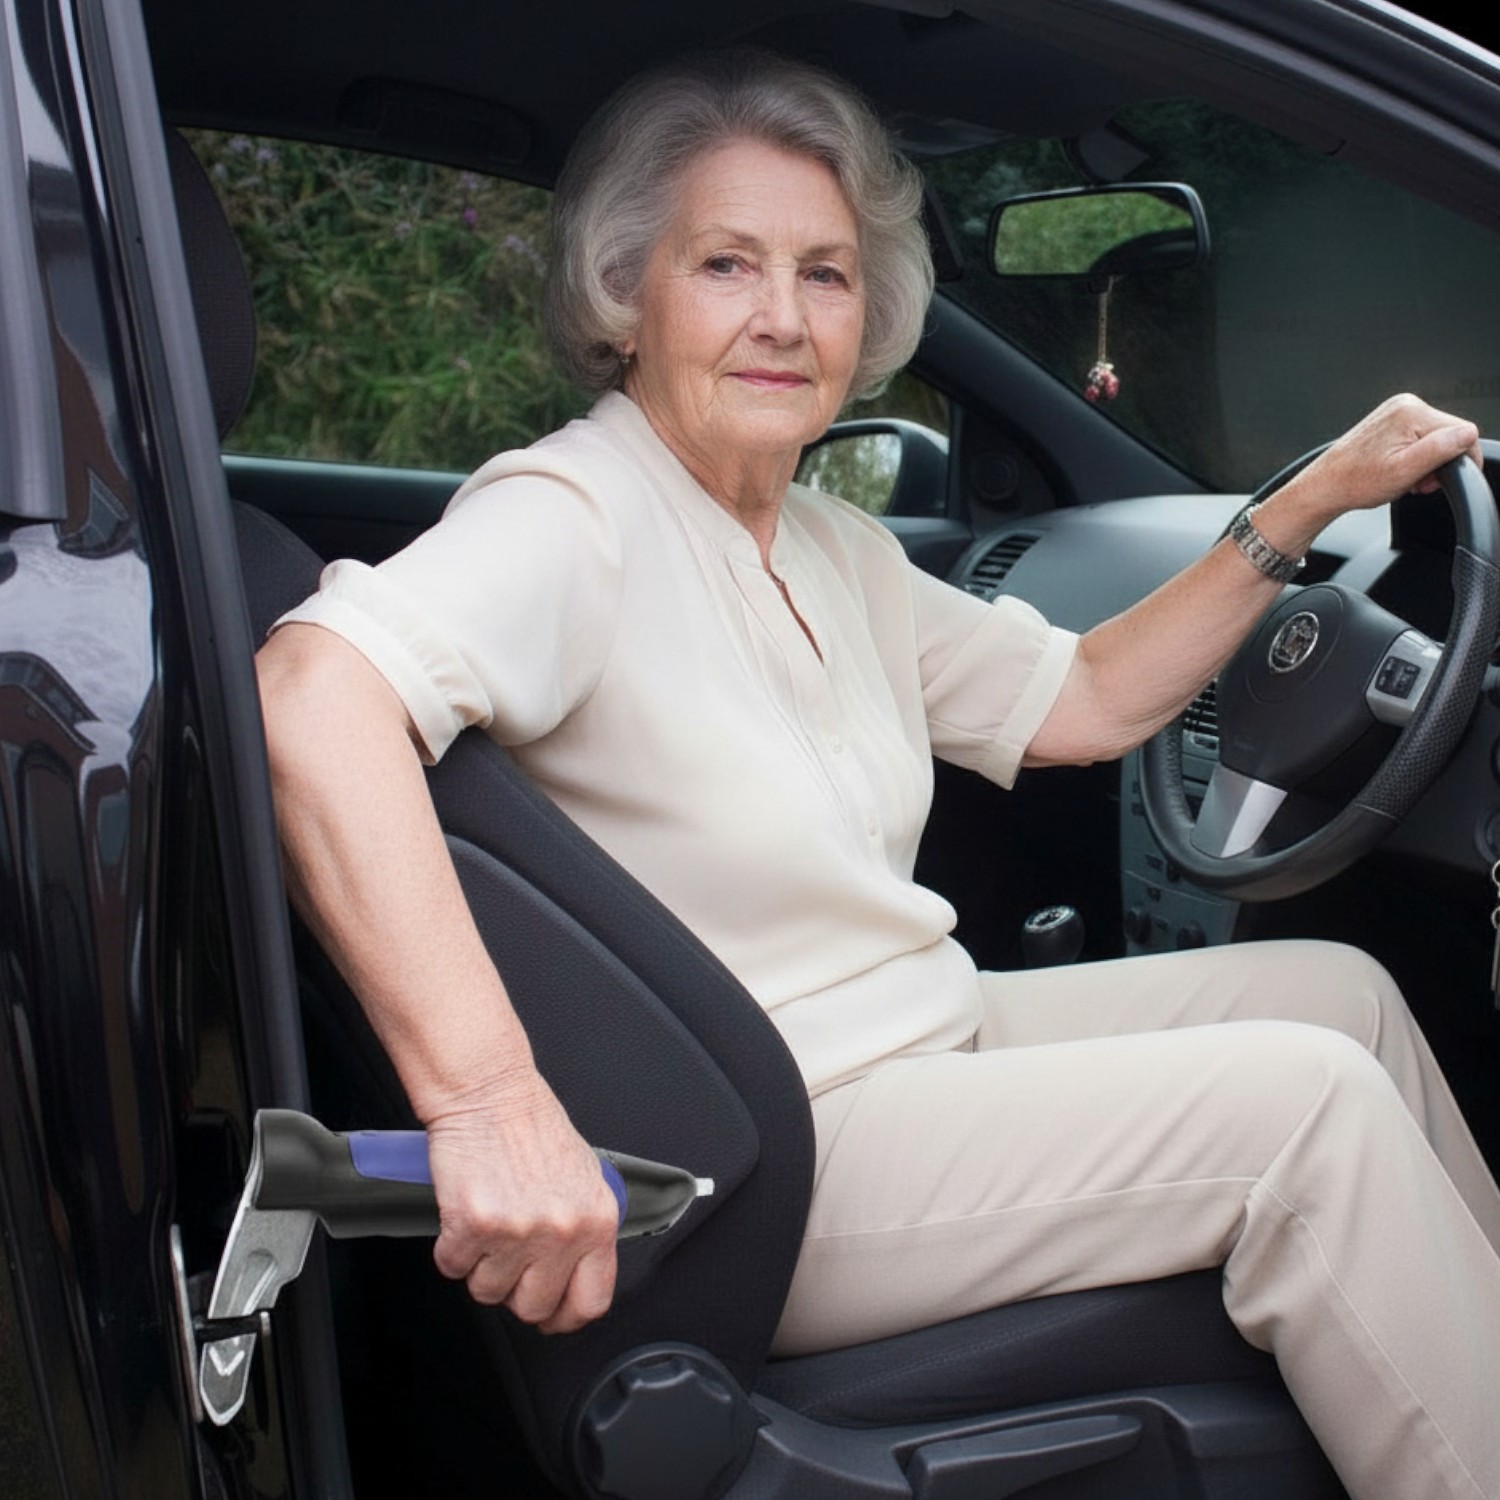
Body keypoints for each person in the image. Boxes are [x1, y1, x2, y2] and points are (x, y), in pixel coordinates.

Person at [255, 50, 1500, 1500]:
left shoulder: (828, 541)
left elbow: (1088, 698)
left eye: (826, 274)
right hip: (770, 1151)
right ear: (626, 293)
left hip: (917, 1043)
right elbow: (311, 694)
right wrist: (487, 1105)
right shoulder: (574, 514)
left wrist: (1310, 500)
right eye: (727, 264)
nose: (784, 318)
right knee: (1307, 1110)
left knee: (1346, 996)